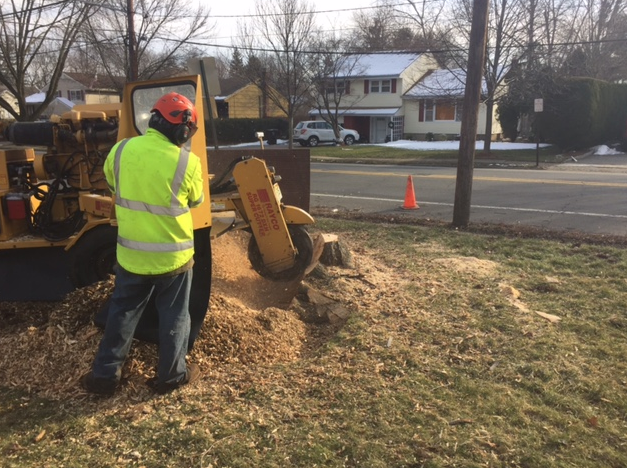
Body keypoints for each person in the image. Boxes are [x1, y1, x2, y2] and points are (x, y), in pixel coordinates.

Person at [81, 92, 205, 396]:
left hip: (131, 257)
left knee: (122, 313)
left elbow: (113, 183)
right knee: (175, 316)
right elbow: (197, 200)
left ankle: (105, 377)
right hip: (174, 260)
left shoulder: (121, 150)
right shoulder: (188, 162)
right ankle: (172, 377)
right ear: (181, 128)